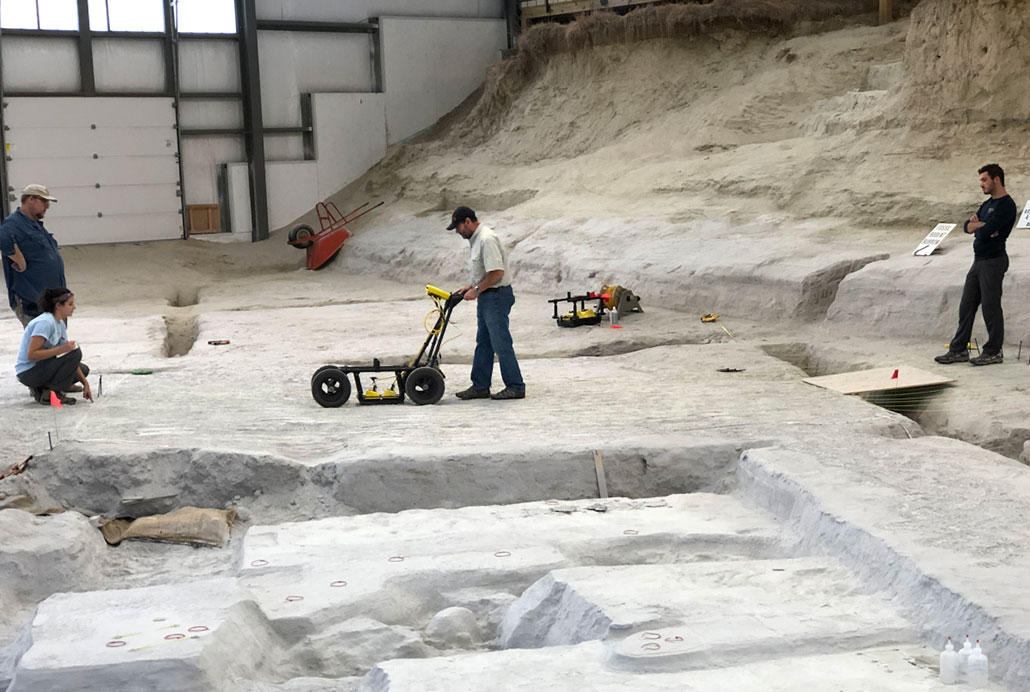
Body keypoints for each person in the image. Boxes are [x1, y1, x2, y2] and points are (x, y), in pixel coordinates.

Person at [935, 164, 1017, 366]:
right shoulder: (987, 204)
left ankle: (993, 351)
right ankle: (959, 350)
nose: (981, 184)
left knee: (990, 307)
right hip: (978, 261)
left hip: (993, 261)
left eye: (984, 180)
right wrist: (981, 226)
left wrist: (979, 225)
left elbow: (983, 231)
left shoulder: (1006, 205)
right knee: (967, 306)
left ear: (996, 179)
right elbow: (967, 227)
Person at [447, 205, 526, 400]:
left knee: (500, 343)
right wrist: (470, 286)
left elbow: (497, 273)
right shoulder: (475, 240)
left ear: (468, 221)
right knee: (483, 343)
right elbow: (484, 271)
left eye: (458, 227)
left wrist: (477, 290)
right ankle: (480, 386)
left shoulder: (486, 239)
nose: (457, 231)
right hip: (487, 296)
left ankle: (516, 386)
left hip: (496, 296)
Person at [1, 184, 66, 327]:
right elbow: (3, 237)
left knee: (57, 345)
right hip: (32, 302)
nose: (47, 206)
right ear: (31, 199)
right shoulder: (14, 223)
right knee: (42, 347)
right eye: (44, 201)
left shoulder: (34, 225)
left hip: (52, 301)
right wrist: (18, 258)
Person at [15, 287, 92, 406]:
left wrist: (86, 384)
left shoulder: (59, 323)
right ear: (58, 306)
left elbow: (70, 359)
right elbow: (32, 354)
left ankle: (45, 388)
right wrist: (60, 350)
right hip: (28, 372)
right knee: (75, 353)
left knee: (83, 369)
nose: (74, 307)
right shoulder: (45, 323)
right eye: (70, 304)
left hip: (42, 367)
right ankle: (52, 394)